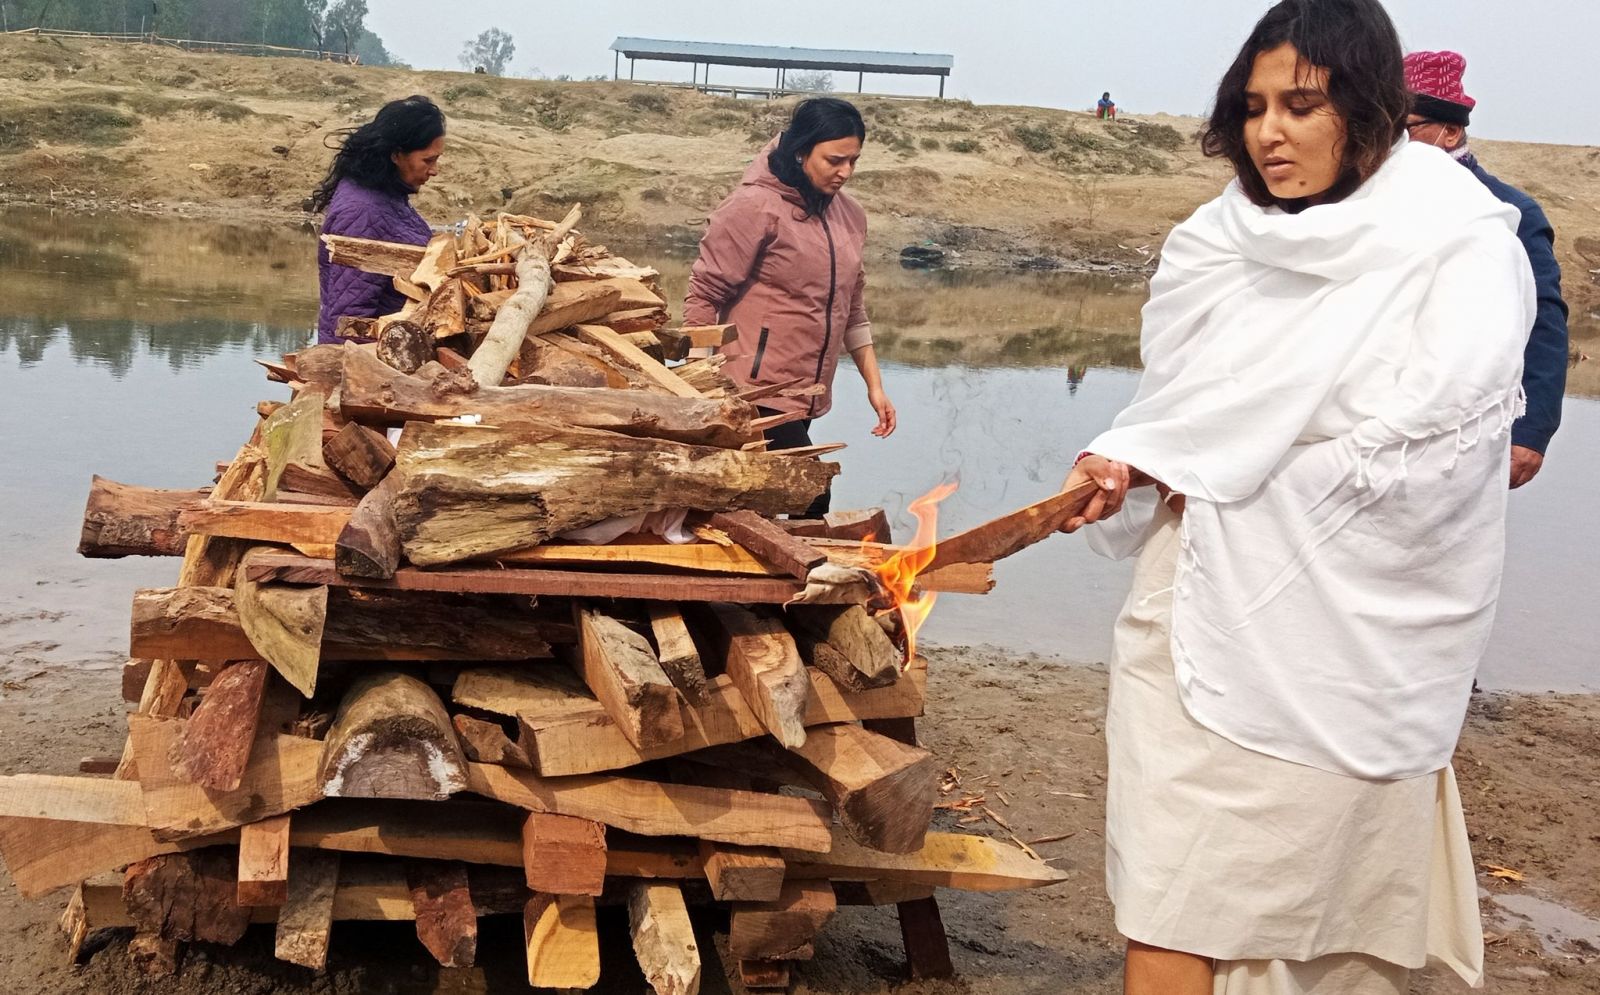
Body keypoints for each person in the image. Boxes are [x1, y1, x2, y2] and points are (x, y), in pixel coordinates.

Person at [1057, 1, 1535, 993]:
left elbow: (1433, 460)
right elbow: (1185, 410)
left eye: (1302, 105)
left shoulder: (1454, 242)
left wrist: (1217, 477)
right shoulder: (1218, 241)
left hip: (1340, 645)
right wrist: (1131, 453)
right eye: (1253, 105)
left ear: (1369, 107)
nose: (1269, 131)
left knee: (1326, 926)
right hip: (1191, 617)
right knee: (1168, 893)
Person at [684, 96, 895, 515]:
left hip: (806, 392)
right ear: (801, 152)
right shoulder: (753, 207)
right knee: (812, 494)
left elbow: (853, 309)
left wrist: (875, 387)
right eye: (834, 160)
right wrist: (697, 383)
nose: (845, 172)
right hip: (752, 389)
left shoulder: (850, 216)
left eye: (853, 160)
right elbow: (704, 295)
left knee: (766, 502)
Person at [1403, 49, 1569, 488]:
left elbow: (1544, 318)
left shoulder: (1509, 211)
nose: (1392, 143)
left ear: (1451, 131)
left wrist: (1532, 431)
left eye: (1406, 129)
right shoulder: (1375, 200)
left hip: (1470, 426)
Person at [310, 95, 445, 345]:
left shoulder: (386, 195)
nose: (435, 170)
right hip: (369, 359)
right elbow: (350, 320)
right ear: (396, 155)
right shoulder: (363, 212)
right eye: (428, 160)